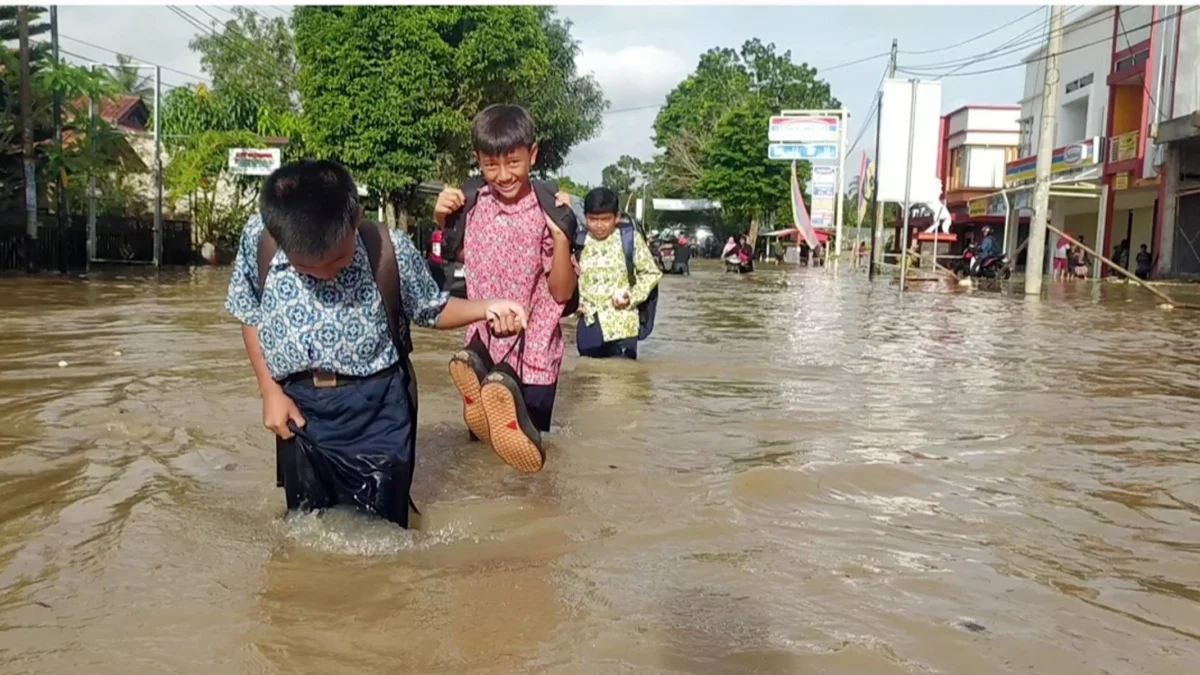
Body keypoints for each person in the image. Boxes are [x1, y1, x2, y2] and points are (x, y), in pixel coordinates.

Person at [225, 159, 527, 529]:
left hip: (379, 408)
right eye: (309, 268)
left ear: (357, 218)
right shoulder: (262, 240)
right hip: (298, 408)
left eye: (337, 260)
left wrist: (487, 308)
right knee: (306, 527)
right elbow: (250, 313)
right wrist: (270, 393)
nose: (325, 273)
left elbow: (431, 309)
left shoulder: (387, 247)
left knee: (383, 536)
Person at [434, 104, 578, 474]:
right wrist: (441, 217)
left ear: (532, 154)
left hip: (534, 357)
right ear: (477, 160)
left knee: (525, 458)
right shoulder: (473, 204)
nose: (503, 175)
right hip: (483, 343)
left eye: (513, 163)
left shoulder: (549, 208)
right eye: (490, 165)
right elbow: (447, 258)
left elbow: (562, 294)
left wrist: (561, 236)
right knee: (482, 456)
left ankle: (529, 521)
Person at [574, 187, 662, 360]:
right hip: (588, 324)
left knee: (622, 380)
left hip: (622, 323)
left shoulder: (629, 239)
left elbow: (651, 273)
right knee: (587, 378)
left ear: (617, 217)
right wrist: (572, 305)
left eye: (605, 219)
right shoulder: (578, 241)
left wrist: (632, 296)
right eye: (593, 219)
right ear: (585, 218)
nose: (599, 225)